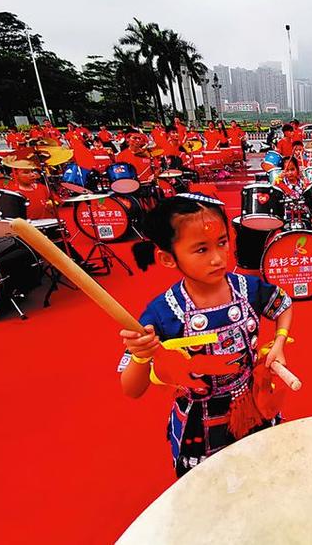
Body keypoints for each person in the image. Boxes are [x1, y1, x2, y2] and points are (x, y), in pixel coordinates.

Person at [118, 194, 293, 477]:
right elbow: (131, 389)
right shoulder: (163, 313)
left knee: (263, 473)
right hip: (200, 422)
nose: (217, 258)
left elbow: (282, 305)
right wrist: (141, 356)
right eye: (201, 250)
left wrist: (280, 342)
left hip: (255, 406)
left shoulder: (248, 288)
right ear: (167, 257)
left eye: (222, 243)